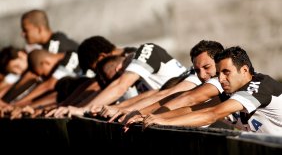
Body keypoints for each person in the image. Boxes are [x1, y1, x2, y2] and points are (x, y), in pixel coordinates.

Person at [143, 46, 282, 135]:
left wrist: (164, 121)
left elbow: (212, 114)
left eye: (226, 72)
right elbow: (196, 109)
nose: (221, 79)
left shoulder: (259, 86)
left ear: (244, 70)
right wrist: (151, 117)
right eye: (219, 73)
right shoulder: (233, 91)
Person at [49, 43, 190, 117]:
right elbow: (149, 96)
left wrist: (83, 110)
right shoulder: (129, 78)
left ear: (118, 70)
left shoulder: (147, 50)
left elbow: (120, 86)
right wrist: (73, 107)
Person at [105, 40, 225, 124]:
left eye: (207, 67)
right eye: (197, 70)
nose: (202, 75)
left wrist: (153, 116)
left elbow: (187, 98)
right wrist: (140, 113)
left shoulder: (221, 80)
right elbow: (176, 98)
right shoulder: (210, 83)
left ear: (220, 61)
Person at [11, 49, 81, 107]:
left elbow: (48, 85)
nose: (44, 77)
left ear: (45, 63)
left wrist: (18, 103)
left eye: (43, 74)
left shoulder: (72, 57)